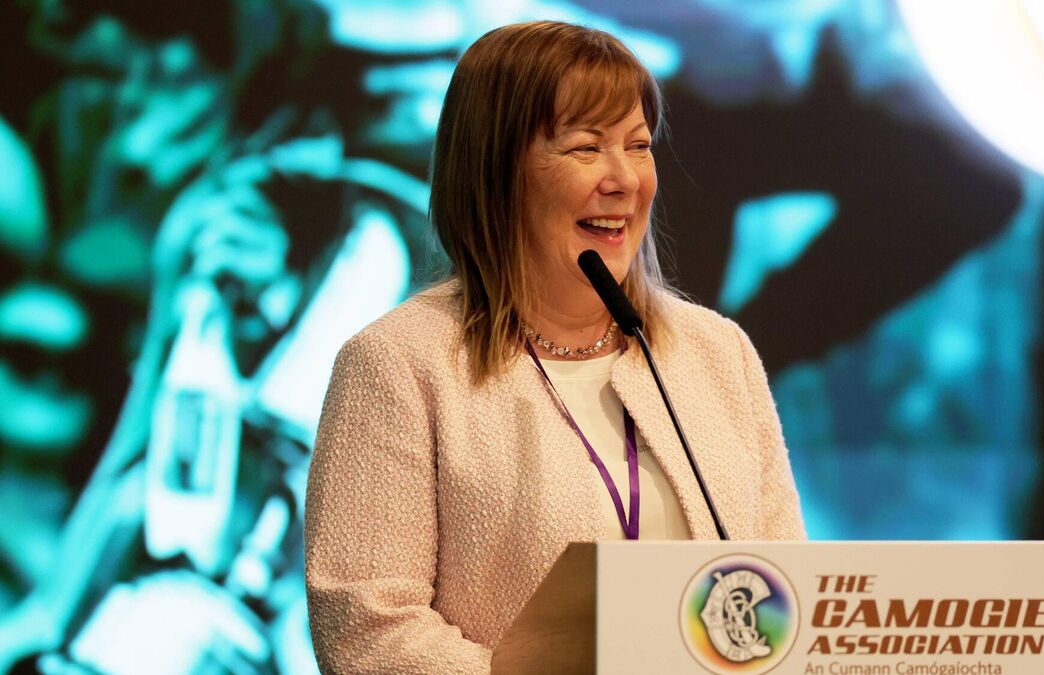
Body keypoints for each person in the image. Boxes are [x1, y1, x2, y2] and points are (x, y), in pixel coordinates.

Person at [304, 20, 805, 673]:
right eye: (586, 148)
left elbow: (787, 596)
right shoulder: (398, 364)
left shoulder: (716, 352)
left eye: (638, 145)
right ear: (495, 169)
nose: (625, 179)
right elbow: (365, 629)